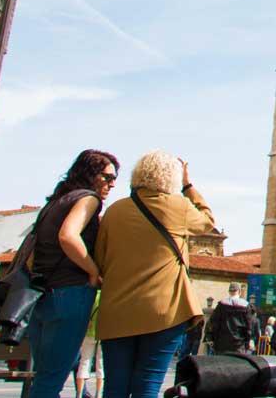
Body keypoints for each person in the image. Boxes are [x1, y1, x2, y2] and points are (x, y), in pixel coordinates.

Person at [95, 151, 214, 398]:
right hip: (163, 312)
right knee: (147, 384)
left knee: (114, 386)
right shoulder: (177, 206)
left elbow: (101, 259)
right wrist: (188, 186)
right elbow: (207, 222)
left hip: (116, 311)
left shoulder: (114, 211)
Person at [29, 149, 118, 398]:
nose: (112, 184)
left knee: (44, 377)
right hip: (70, 295)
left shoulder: (54, 203)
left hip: (42, 295)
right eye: (107, 177)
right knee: (50, 382)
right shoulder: (88, 199)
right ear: (90, 174)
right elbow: (68, 236)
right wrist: (93, 271)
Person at [208, 284, 257, 354]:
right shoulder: (246, 306)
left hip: (222, 343)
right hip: (239, 344)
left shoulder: (221, 305)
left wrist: (212, 338)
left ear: (229, 292)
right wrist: (249, 340)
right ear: (239, 292)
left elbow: (214, 323)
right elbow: (249, 326)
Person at [74, 292, 103, 398]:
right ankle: (98, 394)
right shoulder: (106, 295)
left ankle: (79, 393)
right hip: (102, 334)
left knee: (84, 363)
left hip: (88, 334)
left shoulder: (91, 295)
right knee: (101, 365)